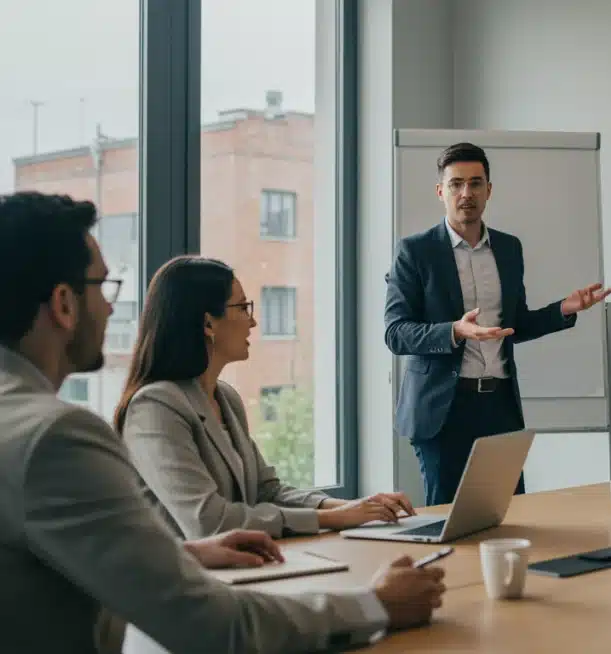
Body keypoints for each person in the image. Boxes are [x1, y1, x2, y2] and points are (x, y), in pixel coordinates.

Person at [0, 191, 446, 653]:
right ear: (63, 303)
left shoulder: (18, 421)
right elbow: (211, 626)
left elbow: (55, 561)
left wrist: (183, 555)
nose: (112, 308)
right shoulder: (57, 438)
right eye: (104, 286)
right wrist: (374, 604)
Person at [115, 255, 416, 540]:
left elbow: (266, 491)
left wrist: (356, 507)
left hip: (242, 569)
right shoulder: (154, 407)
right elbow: (207, 521)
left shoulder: (226, 398)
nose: (253, 322)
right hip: (185, 584)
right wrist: (333, 519)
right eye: (243, 308)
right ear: (208, 324)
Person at [385, 142, 611, 506]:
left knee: (507, 513)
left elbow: (514, 326)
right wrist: (455, 331)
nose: (466, 193)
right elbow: (396, 332)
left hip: (499, 406)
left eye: (476, 183)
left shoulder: (508, 249)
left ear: (489, 190)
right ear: (440, 191)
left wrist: (564, 309)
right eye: (456, 184)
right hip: (443, 409)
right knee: (448, 518)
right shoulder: (415, 251)